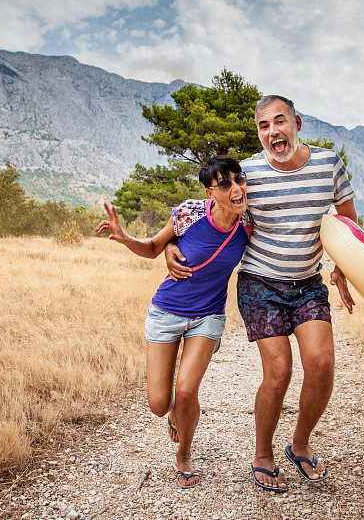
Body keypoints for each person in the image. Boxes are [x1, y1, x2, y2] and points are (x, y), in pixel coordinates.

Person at [166, 95, 357, 492]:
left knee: (321, 365)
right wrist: (171, 245)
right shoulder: (248, 173)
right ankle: (263, 454)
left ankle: (300, 445)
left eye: (280, 122)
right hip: (260, 283)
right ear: (259, 133)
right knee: (280, 371)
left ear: (297, 123)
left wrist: (344, 268)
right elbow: (210, 212)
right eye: (264, 126)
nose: (273, 132)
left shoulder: (329, 165)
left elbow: (348, 224)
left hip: (308, 284)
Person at [95, 156, 251, 488]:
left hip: (208, 316)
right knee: (158, 404)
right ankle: (171, 415)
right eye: (225, 184)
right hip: (166, 312)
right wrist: (126, 238)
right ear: (211, 192)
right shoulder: (188, 213)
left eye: (240, 179)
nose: (236, 188)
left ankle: (184, 453)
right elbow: (153, 247)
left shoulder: (249, 223)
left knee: (187, 392)